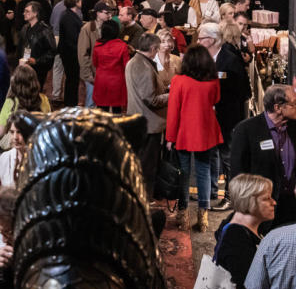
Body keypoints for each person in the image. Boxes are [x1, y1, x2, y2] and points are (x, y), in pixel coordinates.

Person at [213, 173, 277, 289]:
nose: (274, 202)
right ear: (249, 202)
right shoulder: (237, 239)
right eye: (267, 198)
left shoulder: (238, 227)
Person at [166, 44, 224, 232]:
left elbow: (173, 111)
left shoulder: (178, 81)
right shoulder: (213, 80)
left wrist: (170, 137)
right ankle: (203, 217)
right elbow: (216, 101)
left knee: (183, 173)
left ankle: (183, 214)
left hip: (184, 130)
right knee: (204, 172)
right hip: (206, 130)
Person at [230, 85, 296, 229]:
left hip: (292, 207)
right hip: (260, 209)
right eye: (293, 104)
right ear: (278, 108)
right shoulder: (245, 130)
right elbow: (238, 175)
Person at [199, 21, 251, 210]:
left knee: (229, 158)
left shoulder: (229, 59)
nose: (198, 41)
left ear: (212, 40)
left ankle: (232, 198)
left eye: (201, 38)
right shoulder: (208, 58)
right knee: (217, 155)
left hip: (228, 118)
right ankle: (214, 191)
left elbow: (241, 91)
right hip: (212, 116)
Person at [125, 32, 169, 196]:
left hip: (141, 121)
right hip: (148, 124)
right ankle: (145, 199)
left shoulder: (135, 61)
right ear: (152, 48)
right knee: (147, 166)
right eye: (157, 48)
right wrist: (172, 95)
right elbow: (151, 99)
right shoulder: (142, 66)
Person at [0, 65, 49, 150]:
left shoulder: (11, 102)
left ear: (14, 82)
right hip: (37, 145)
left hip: (15, 147)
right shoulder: (43, 99)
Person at [77, 0, 115, 108]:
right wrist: (87, 75)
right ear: (98, 13)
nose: (109, 15)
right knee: (91, 102)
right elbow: (82, 53)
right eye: (106, 13)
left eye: (110, 12)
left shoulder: (109, 27)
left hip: (105, 72)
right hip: (93, 73)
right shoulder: (87, 29)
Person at [91, 19, 129, 114]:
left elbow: (95, 63)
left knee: (102, 109)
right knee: (117, 110)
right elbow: (126, 65)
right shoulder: (122, 46)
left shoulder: (98, 45)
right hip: (117, 81)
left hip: (101, 80)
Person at [17, 1, 56, 84]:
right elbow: (20, 47)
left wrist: (36, 61)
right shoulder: (25, 28)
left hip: (38, 70)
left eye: (27, 11)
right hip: (24, 67)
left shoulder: (45, 30)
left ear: (35, 13)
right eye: (24, 11)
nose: (24, 13)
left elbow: (52, 52)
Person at [56, 0, 84, 108]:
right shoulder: (69, 17)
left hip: (69, 52)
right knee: (72, 79)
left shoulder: (68, 14)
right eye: (80, 0)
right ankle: (71, 103)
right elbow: (72, 38)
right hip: (70, 53)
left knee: (71, 79)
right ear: (76, 2)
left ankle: (70, 102)